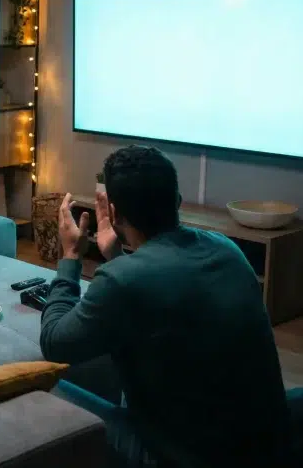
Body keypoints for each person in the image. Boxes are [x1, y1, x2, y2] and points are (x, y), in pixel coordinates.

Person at [40, 145, 290, 467]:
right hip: (267, 449)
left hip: (177, 457)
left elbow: (53, 343)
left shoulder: (123, 280)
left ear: (114, 213)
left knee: (44, 391)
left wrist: (72, 255)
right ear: (178, 200)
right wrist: (117, 258)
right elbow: (164, 298)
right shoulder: (229, 251)